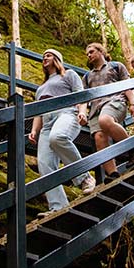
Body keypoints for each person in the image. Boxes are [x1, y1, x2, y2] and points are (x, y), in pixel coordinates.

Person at [28, 48, 96, 217]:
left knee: (58, 138)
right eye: (43, 56)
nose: (45, 58)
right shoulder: (40, 88)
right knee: (44, 164)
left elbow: (81, 95)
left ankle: (84, 178)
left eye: (48, 55)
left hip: (66, 113)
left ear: (57, 59)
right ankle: (58, 206)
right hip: (46, 122)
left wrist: (82, 112)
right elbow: (38, 112)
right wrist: (34, 130)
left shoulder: (69, 75)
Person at [79, 43, 134, 184]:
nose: (89, 55)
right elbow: (83, 99)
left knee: (105, 120)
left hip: (114, 101)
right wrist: (82, 113)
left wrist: (133, 103)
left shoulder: (116, 66)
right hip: (95, 109)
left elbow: (127, 85)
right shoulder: (87, 76)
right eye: (87, 53)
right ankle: (113, 173)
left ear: (101, 51)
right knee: (99, 138)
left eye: (91, 52)